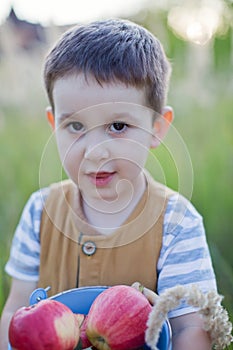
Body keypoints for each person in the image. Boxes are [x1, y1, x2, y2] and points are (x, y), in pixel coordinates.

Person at [0, 18, 217, 349]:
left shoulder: (176, 224)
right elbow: (15, 310)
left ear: (157, 128)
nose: (95, 150)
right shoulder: (39, 213)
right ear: (53, 125)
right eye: (74, 126)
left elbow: (191, 330)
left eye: (117, 126)